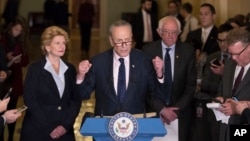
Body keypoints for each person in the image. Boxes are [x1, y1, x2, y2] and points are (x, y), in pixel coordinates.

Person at [77, 20, 169, 120]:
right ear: (111, 41)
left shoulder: (144, 61)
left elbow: (158, 95)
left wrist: (159, 74)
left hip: (136, 127)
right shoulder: (98, 62)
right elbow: (83, 95)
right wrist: (81, 75)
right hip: (104, 127)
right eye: (119, 41)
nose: (124, 46)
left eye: (128, 40)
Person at [20, 26, 82, 141]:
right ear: (47, 47)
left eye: (63, 43)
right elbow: (30, 100)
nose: (62, 46)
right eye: (57, 43)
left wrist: (65, 125)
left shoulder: (70, 69)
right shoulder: (35, 69)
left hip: (64, 132)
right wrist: (49, 127)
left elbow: (76, 99)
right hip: (38, 131)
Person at [142, 16, 197, 141]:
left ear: (179, 33)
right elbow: (145, 87)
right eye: (167, 31)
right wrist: (161, 109)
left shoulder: (188, 52)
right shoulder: (147, 51)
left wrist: (174, 111)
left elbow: (190, 86)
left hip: (180, 114)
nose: (170, 36)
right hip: (154, 113)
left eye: (174, 32)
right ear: (159, 32)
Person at [193, 23, 233, 141]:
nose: (222, 44)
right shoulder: (212, 57)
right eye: (219, 41)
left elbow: (237, 87)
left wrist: (224, 74)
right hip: (214, 110)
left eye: (225, 40)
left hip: (233, 111)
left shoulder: (237, 58)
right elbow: (204, 84)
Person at [214, 28, 250, 141]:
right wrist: (220, 100)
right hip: (226, 128)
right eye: (231, 53)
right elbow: (222, 90)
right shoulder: (230, 64)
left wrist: (236, 108)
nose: (233, 57)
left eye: (237, 54)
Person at [0, 15, 29, 141]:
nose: (18, 33)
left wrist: (18, 60)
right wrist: (7, 58)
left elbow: (26, 60)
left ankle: (11, 137)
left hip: (15, 80)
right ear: (11, 28)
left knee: (13, 109)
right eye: (16, 30)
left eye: (20, 31)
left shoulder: (22, 41)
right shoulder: (3, 41)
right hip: (2, 81)